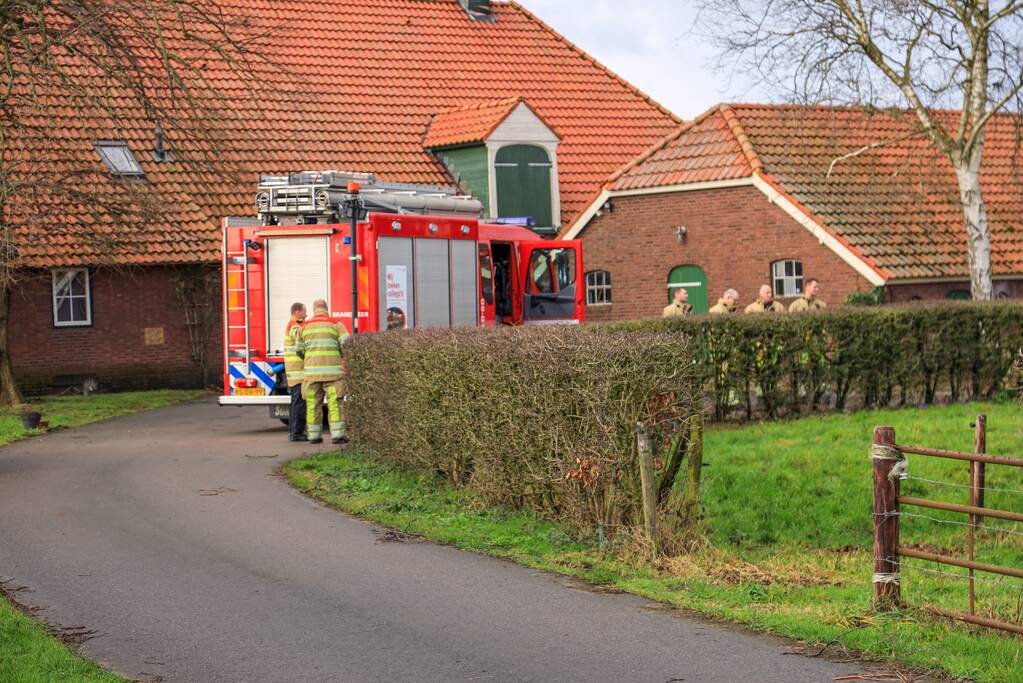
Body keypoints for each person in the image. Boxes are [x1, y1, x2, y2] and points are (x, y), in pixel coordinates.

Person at [297, 299, 350, 445]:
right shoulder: (336, 324)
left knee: (313, 405)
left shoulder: (303, 327)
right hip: (333, 375)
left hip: (311, 375)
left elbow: (299, 350)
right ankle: (338, 436)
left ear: (314, 310)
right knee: (334, 404)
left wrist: (310, 358)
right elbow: (347, 344)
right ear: (326, 309)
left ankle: (314, 436)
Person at [283, 302, 307, 442]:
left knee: (295, 403)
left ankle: (294, 432)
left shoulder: (293, 324)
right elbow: (299, 337)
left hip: (295, 372)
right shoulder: (294, 326)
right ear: (297, 312)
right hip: (298, 372)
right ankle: (297, 433)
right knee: (299, 403)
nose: (306, 314)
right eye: (304, 312)